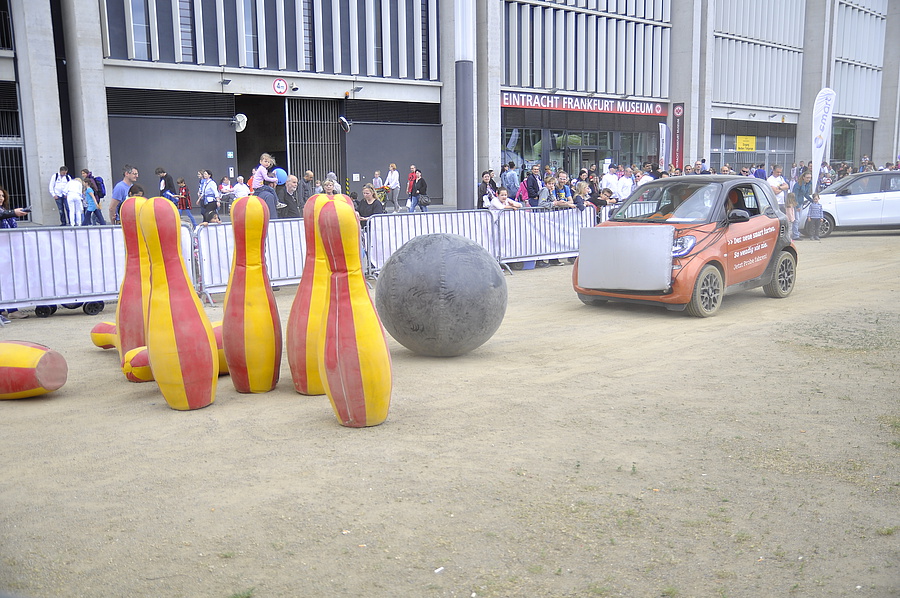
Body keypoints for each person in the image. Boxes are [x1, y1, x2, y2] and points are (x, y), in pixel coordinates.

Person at [794, 170, 813, 239]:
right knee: (796, 220)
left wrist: (812, 200)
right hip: (796, 203)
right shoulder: (798, 185)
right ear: (803, 177)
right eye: (807, 177)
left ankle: (796, 234)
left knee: (798, 219)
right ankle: (795, 235)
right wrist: (797, 206)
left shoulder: (807, 185)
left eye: (809, 178)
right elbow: (795, 195)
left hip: (801, 203)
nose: (808, 179)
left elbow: (806, 194)